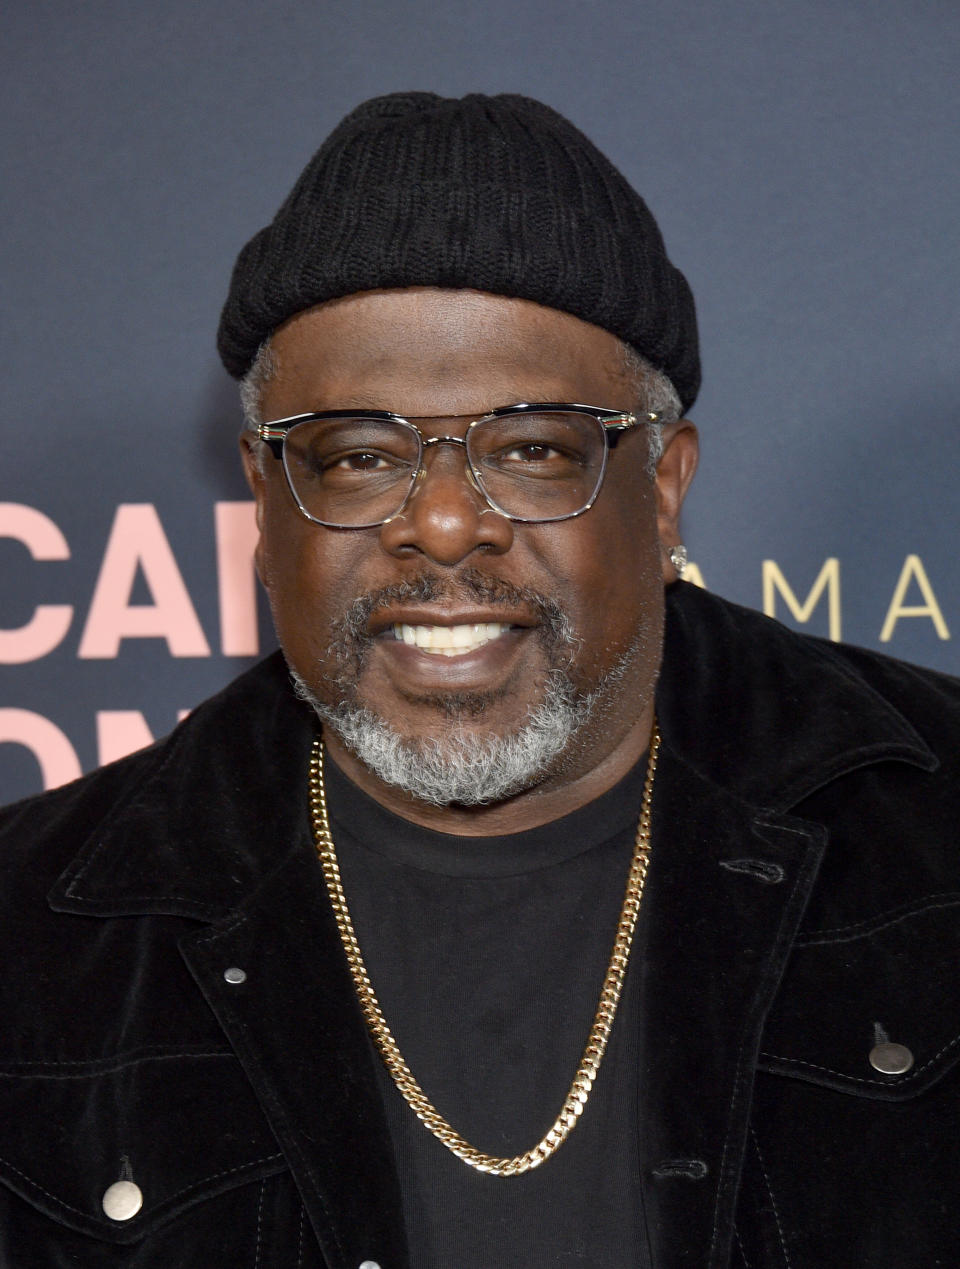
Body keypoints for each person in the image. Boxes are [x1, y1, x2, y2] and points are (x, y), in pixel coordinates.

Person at [0, 92, 958, 1269]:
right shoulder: (40, 940)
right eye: (358, 456)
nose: (445, 527)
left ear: (662, 489)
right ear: (263, 497)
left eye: (531, 449)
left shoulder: (932, 830)